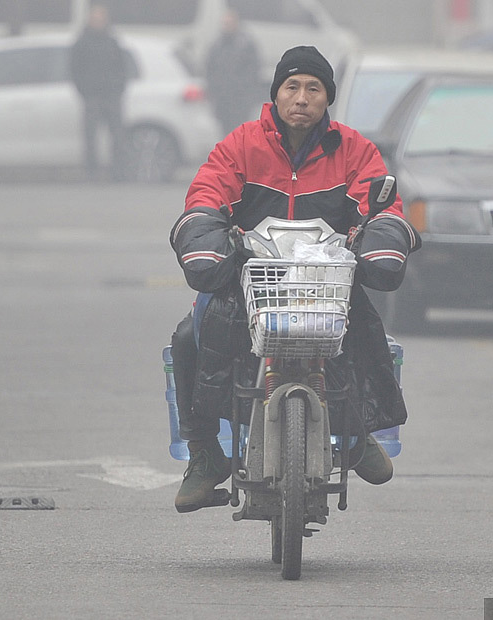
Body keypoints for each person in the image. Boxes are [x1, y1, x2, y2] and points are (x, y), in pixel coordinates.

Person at [168, 45, 421, 513]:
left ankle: (357, 432)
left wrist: (381, 234)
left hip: (328, 285)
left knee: (367, 331)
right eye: (292, 87)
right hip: (249, 281)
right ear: (277, 94)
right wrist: (204, 227)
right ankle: (204, 455)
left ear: (327, 99)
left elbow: (381, 202)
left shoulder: (355, 150)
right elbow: (207, 189)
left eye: (313, 88)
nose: (301, 97)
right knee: (188, 338)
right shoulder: (240, 144)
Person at [69, 3, 129, 181]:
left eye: (101, 17)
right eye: (95, 18)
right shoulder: (81, 42)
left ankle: (118, 172)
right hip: (92, 96)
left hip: (112, 96)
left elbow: (122, 68)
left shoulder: (113, 41)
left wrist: (118, 89)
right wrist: (84, 91)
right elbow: (75, 69)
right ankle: (92, 172)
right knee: (90, 137)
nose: (98, 21)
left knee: (117, 136)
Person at [204, 9, 262, 136]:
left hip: (240, 99)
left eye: (229, 23)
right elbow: (209, 70)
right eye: (225, 23)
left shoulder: (246, 45)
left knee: (240, 131)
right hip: (222, 100)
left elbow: (254, 71)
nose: (226, 26)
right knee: (225, 131)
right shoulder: (216, 46)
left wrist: (244, 90)